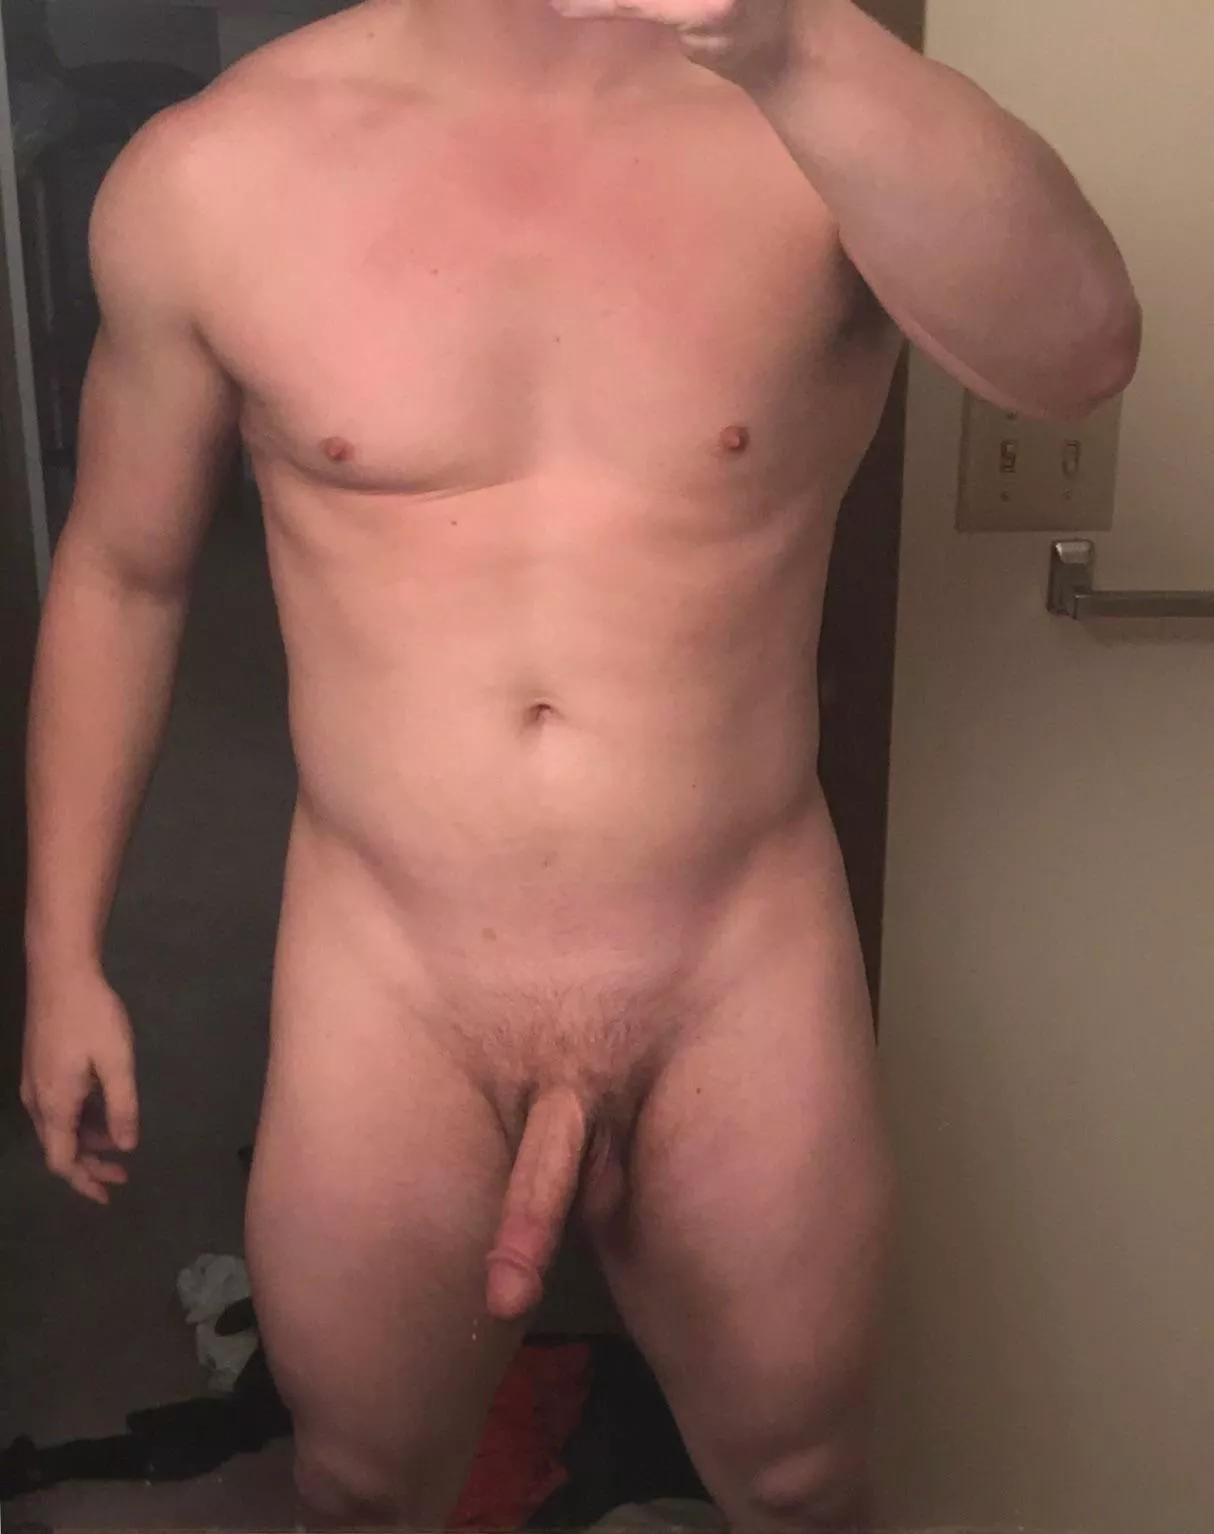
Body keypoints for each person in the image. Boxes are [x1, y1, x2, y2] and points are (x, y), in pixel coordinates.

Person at [20, 0, 1141, 1527]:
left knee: (800, 1481)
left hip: (730, 951)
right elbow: (122, 573)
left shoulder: (816, 112)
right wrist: (61, 951)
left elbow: (1080, 354)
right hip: (391, 968)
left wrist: (794, 46)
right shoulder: (211, 173)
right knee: (358, 1484)